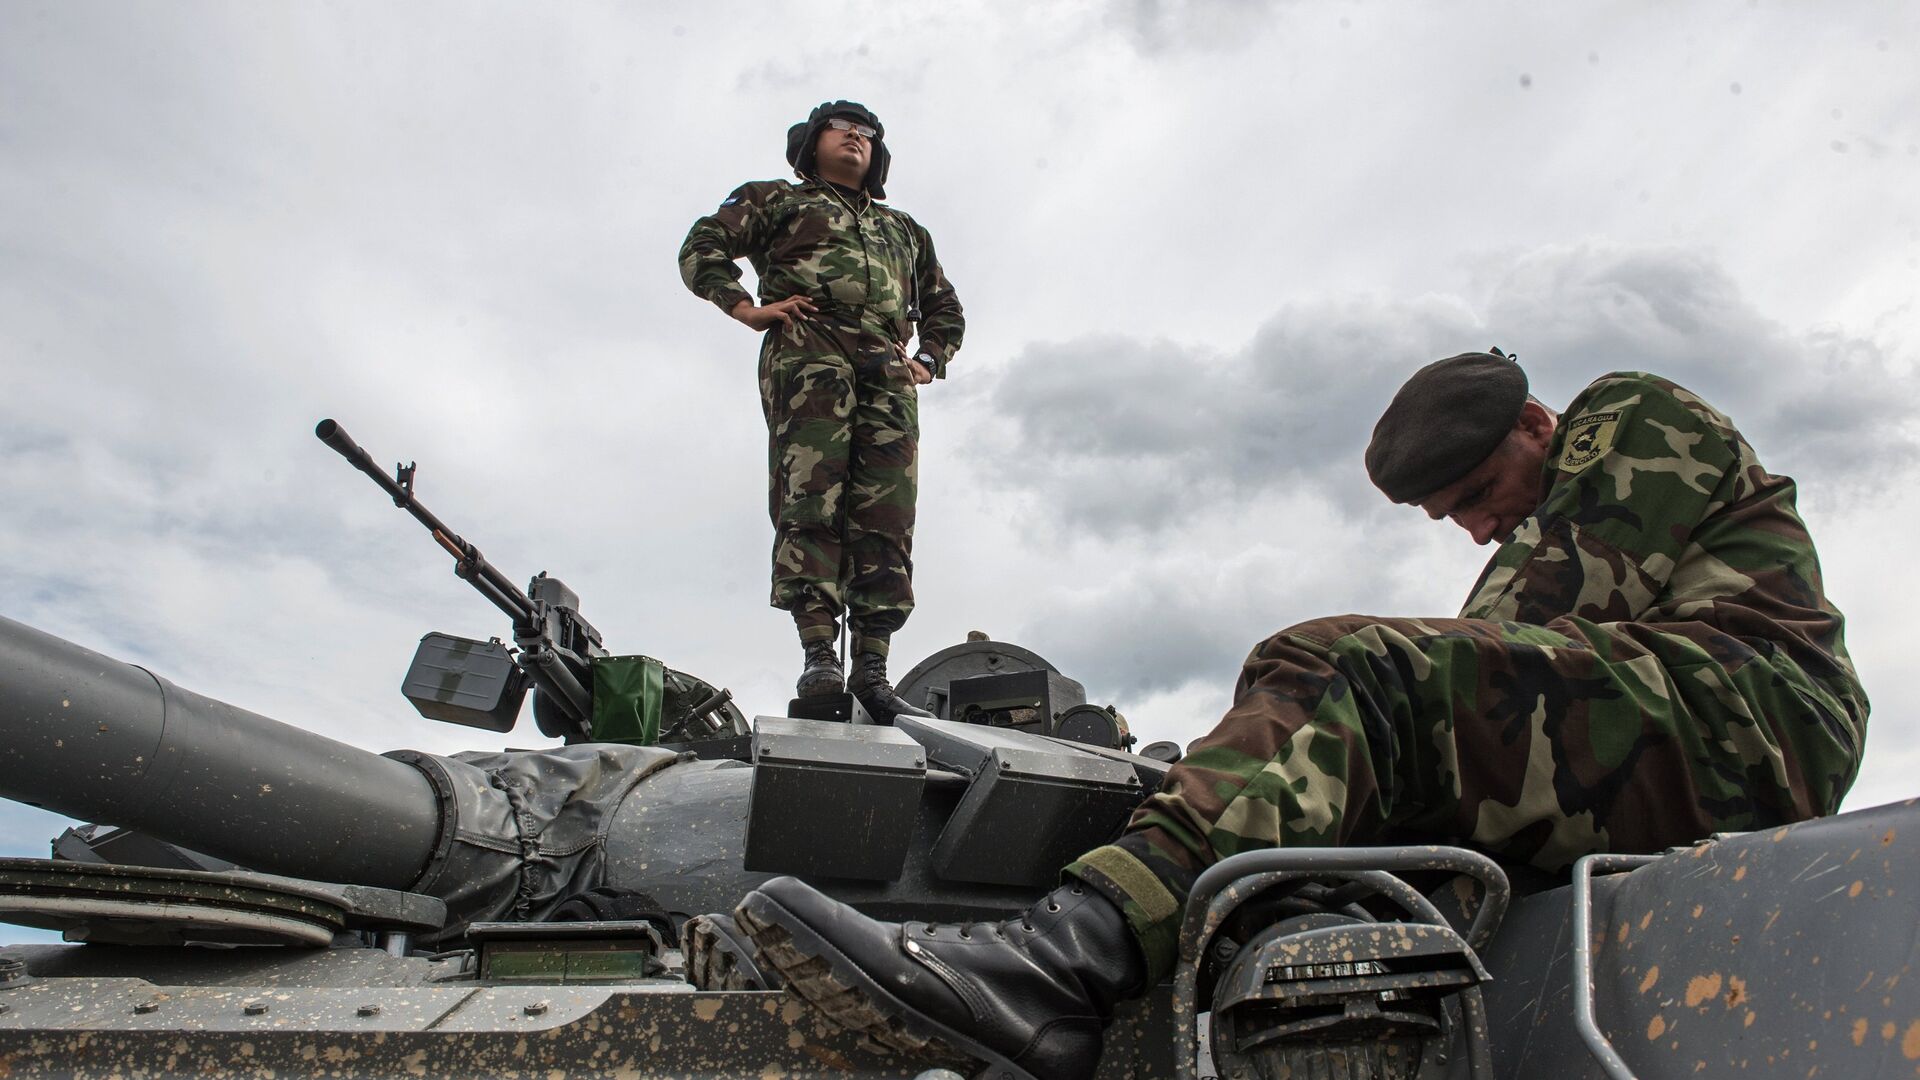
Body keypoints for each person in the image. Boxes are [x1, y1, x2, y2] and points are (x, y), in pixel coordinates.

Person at [727, 351, 1869, 1080]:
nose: (1470, 530)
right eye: (1447, 515)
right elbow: (1495, 670)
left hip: (1753, 714)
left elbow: (1516, 638)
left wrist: (1328, 727)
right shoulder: (1538, 535)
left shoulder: (1629, 417)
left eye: (1475, 497)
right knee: (1340, 735)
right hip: (1664, 733)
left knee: (1339, 667)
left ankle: (1055, 966)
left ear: (1537, 423)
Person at [679, 101, 964, 720]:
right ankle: (819, 657)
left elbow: (945, 306)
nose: (857, 139)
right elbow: (704, 244)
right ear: (815, 142)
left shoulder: (905, 231)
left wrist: (928, 360)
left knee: (886, 517)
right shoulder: (777, 200)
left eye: (868, 134)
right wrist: (744, 307)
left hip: (887, 369)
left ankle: (872, 668)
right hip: (810, 352)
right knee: (812, 501)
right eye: (845, 129)